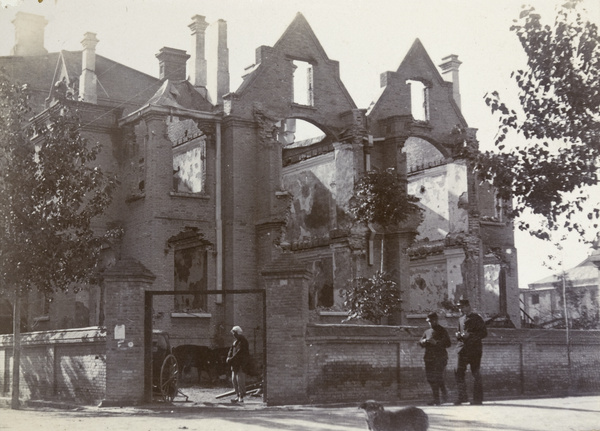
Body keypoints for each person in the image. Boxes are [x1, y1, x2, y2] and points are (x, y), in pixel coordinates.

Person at [454, 299, 487, 405]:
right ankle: (462, 397)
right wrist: (458, 335)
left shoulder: (477, 318)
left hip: (474, 350)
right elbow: (459, 332)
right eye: (459, 307)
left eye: (462, 307)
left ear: (468, 306)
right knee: (458, 372)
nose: (460, 309)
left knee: (475, 373)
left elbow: (484, 333)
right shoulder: (460, 319)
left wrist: (470, 335)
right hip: (462, 349)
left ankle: (477, 399)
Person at [418, 312, 451, 405]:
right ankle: (436, 398)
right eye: (429, 321)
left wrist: (436, 343)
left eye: (431, 321)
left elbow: (448, 343)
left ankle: (441, 395)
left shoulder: (442, 330)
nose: (430, 323)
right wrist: (423, 341)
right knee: (430, 378)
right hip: (429, 358)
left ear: (436, 320)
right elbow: (420, 341)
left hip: (440, 358)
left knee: (437, 377)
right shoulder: (427, 331)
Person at [226, 325, 249, 403]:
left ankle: (241, 396)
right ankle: (237, 395)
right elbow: (231, 350)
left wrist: (231, 359)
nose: (233, 334)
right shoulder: (235, 342)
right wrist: (228, 357)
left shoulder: (243, 341)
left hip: (241, 364)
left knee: (240, 381)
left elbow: (239, 353)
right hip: (235, 364)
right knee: (234, 380)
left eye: (234, 333)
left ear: (237, 333)